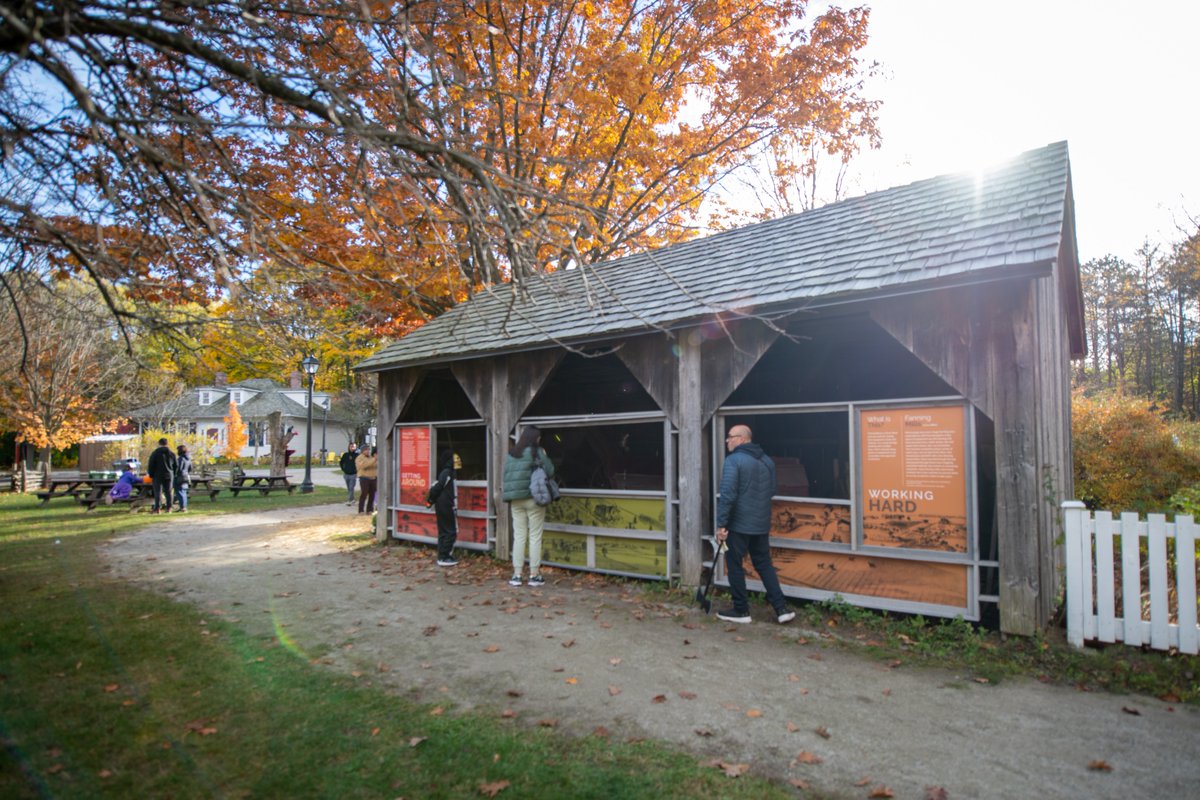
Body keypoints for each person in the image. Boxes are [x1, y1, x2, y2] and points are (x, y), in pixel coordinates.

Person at [715, 424, 794, 625]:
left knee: (734, 565)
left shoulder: (733, 460)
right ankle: (781, 609)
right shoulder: (767, 461)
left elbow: (728, 494)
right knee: (764, 564)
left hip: (739, 524)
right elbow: (772, 490)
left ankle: (741, 611)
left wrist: (721, 524)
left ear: (742, 439)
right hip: (760, 524)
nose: (727, 441)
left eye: (730, 437)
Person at [502, 425, 554, 587]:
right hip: (534, 499)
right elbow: (551, 471)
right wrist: (544, 455)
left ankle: (517, 575)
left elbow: (507, 476)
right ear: (536, 439)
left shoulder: (512, 454)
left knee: (519, 536)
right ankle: (534, 574)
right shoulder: (537, 453)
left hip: (515, 500)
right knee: (535, 536)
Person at [427, 449, 460, 566]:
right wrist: (430, 499)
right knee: (451, 531)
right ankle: (445, 556)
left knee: (443, 531)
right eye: (454, 459)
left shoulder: (446, 472)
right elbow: (439, 486)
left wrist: (431, 500)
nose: (457, 461)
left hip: (441, 505)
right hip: (447, 505)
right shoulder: (447, 473)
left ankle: (442, 555)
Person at [146, 437, 178, 514]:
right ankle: (169, 508)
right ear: (167, 444)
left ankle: (157, 508)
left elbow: (151, 464)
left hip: (158, 475)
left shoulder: (155, 453)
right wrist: (174, 474)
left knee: (158, 492)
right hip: (169, 474)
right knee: (169, 492)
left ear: (159, 444)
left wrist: (151, 474)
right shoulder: (172, 453)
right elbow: (176, 465)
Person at [355, 444, 378, 515]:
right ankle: (361, 510)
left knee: (372, 495)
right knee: (364, 494)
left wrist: (375, 459)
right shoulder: (359, 458)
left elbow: (375, 465)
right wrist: (374, 459)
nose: (368, 451)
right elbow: (364, 466)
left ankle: (369, 509)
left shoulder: (371, 457)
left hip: (373, 478)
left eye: (368, 449)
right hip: (364, 478)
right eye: (366, 450)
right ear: (362, 451)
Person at [173, 444, 191, 513]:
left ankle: (183, 507)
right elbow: (190, 468)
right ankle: (184, 507)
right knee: (184, 492)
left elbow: (178, 468)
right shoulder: (188, 459)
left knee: (179, 492)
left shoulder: (180, 459)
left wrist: (175, 473)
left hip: (180, 477)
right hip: (186, 476)